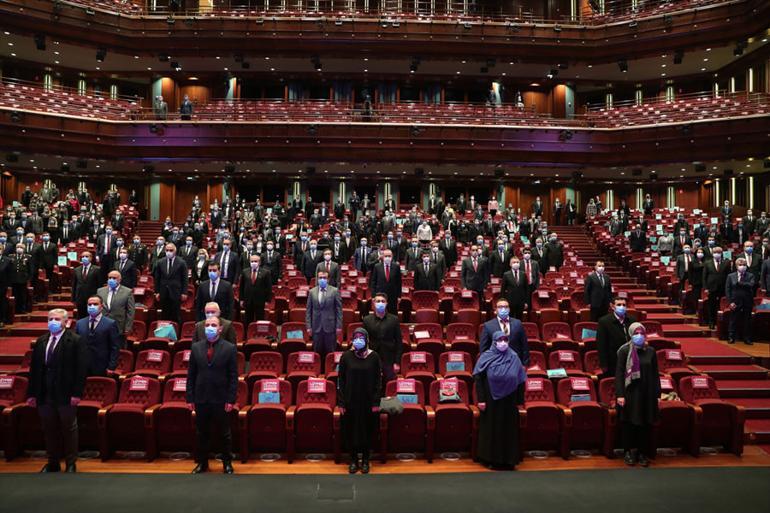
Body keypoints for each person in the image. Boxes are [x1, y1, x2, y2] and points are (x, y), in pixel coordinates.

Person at [26, 309, 88, 473]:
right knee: (49, 428)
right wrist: (32, 394)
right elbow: (34, 369)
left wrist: (77, 393)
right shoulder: (41, 341)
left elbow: (81, 369)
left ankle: (70, 463)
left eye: (57, 319)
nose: (53, 322)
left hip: (66, 392)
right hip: (44, 392)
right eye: (50, 319)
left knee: (69, 428)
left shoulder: (75, 340)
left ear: (66, 322)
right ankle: (53, 462)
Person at [186, 316, 238, 474]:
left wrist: (231, 399)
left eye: (213, 325)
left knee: (224, 433)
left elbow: (233, 376)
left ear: (220, 329)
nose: (210, 327)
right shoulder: (196, 348)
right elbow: (191, 375)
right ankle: (202, 463)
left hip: (221, 398)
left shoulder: (229, 348)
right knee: (202, 433)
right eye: (207, 325)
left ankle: (227, 463)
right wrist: (190, 397)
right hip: (201, 397)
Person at [473, 330, 527, 470]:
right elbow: (478, 378)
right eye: (500, 340)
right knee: (493, 429)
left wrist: (520, 401)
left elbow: (521, 380)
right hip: (491, 400)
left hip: (510, 400)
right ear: (494, 342)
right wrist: (481, 400)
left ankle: (509, 460)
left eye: (505, 340)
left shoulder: (514, 356)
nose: (503, 343)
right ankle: (491, 459)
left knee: (508, 429)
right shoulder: (486, 356)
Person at [337, 327, 382, 474]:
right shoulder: (346, 357)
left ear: (367, 340)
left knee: (367, 431)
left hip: (368, 401)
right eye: (355, 337)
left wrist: (376, 402)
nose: (358, 340)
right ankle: (353, 460)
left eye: (361, 337)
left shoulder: (374, 357)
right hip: (351, 401)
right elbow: (341, 381)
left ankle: (366, 460)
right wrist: (342, 402)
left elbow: (378, 381)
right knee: (351, 431)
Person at [615, 322, 660, 467]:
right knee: (629, 423)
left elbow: (655, 374)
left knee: (644, 424)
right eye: (636, 333)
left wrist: (657, 394)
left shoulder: (651, 351)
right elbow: (620, 374)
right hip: (630, 393)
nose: (639, 336)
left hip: (647, 393)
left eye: (641, 333)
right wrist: (620, 395)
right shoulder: (624, 351)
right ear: (630, 334)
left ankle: (641, 453)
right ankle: (628, 452)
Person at [74, 296, 120, 376]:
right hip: (83, 366)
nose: (92, 306)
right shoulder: (79, 323)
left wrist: (111, 366)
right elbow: (76, 346)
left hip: (102, 366)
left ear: (101, 307)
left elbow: (115, 347)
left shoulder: (110, 323)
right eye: (89, 304)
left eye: (95, 304)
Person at [361, 293, 402, 382]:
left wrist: (397, 362)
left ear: (386, 303)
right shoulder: (367, 320)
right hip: (372, 358)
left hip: (389, 359)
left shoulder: (394, 319)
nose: (380, 303)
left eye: (383, 301)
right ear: (374, 303)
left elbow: (399, 342)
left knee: (389, 385)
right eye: (378, 301)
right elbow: (364, 341)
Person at [306, 269, 342, 360]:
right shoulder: (312, 292)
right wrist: (308, 326)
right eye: (320, 277)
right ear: (317, 279)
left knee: (331, 354)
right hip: (316, 327)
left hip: (330, 327)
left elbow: (339, 310)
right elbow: (308, 311)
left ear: (328, 279)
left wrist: (339, 326)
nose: (322, 279)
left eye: (324, 278)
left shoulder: (335, 291)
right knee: (317, 354)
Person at [480, 299, 529, 365]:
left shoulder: (518, 323)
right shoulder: (488, 325)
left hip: (515, 363)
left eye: (506, 307)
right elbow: (484, 349)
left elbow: (524, 345)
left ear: (509, 309)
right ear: (496, 310)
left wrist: (525, 364)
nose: (503, 309)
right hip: (496, 364)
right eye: (500, 307)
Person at [597, 297, 635, 377]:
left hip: (629, 360)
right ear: (612, 306)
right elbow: (601, 345)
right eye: (619, 305)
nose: (622, 307)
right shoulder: (604, 321)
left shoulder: (632, 320)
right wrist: (604, 364)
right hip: (613, 361)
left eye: (624, 305)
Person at [96, 270, 135, 348]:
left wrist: (128, 327)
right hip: (103, 325)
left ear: (120, 280)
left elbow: (130, 312)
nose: (111, 280)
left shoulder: (127, 292)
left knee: (118, 350)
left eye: (114, 278)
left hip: (119, 326)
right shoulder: (100, 291)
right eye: (109, 278)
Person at [153, 243, 188, 325]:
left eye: (171, 250)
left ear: (175, 251)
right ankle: (164, 334)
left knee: (176, 314)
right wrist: (157, 292)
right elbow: (157, 278)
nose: (169, 252)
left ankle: (176, 333)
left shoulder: (181, 262)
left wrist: (184, 292)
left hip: (176, 292)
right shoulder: (160, 262)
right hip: (163, 292)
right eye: (167, 250)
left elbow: (185, 279)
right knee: (164, 314)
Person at [725, 257, 755, 345]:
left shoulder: (750, 275)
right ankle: (731, 337)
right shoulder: (730, 276)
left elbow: (751, 285)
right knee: (733, 320)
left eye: (744, 265)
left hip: (747, 301)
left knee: (747, 320)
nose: (742, 266)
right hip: (735, 301)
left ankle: (747, 338)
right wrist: (730, 302)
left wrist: (740, 283)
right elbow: (728, 290)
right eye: (740, 265)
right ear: (736, 266)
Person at [239, 254, 272, 325]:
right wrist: (241, 299)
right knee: (248, 319)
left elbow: (268, 287)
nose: (253, 263)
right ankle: (247, 334)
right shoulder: (245, 271)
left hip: (260, 300)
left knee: (260, 318)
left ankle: (259, 335)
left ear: (259, 262)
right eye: (252, 261)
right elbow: (241, 286)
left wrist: (267, 300)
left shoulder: (266, 272)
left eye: (255, 261)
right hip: (248, 300)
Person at [703, 246, 730, 330]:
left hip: (722, 287)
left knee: (721, 305)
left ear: (721, 253)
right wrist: (705, 288)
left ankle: (720, 323)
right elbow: (704, 276)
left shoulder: (726, 262)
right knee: (711, 306)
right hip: (711, 287)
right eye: (715, 252)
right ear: (712, 253)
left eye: (719, 252)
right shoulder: (708, 262)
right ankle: (711, 322)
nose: (717, 254)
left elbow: (729, 276)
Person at [368, 249, 401, 314]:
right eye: (386, 256)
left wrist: (399, 296)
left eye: (389, 256)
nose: (387, 258)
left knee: (392, 314)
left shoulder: (396, 266)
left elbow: (399, 283)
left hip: (393, 295)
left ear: (392, 257)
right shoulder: (377, 266)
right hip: (380, 295)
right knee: (380, 313)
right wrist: (373, 296)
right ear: (382, 257)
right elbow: (373, 282)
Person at [71, 251, 101, 319]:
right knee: (80, 317)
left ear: (91, 258)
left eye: (86, 256)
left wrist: (98, 297)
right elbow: (74, 285)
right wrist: (73, 298)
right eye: (83, 257)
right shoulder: (77, 270)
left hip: (92, 298)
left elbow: (99, 285)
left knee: (91, 316)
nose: (84, 258)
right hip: (80, 298)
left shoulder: (97, 269)